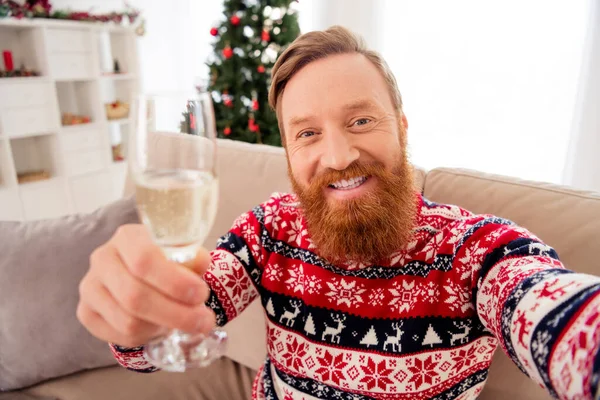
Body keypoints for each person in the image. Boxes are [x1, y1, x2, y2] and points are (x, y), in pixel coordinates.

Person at [77, 26, 600, 399]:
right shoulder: (267, 231)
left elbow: (549, 309)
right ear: (288, 153)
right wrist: (133, 314)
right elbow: (172, 329)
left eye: (361, 121)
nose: (339, 156)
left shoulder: (476, 248)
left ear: (401, 127)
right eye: (307, 133)